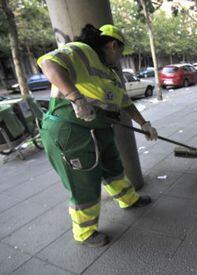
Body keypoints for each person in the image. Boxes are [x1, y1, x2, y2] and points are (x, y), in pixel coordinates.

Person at [37, 24, 158, 248]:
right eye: (120, 53)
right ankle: (84, 232)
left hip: (99, 128)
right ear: (113, 45)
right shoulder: (81, 51)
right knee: (84, 182)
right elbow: (48, 63)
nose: (120, 58)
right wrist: (75, 97)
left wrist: (145, 124)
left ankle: (128, 199)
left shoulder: (109, 73)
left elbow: (125, 103)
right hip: (71, 130)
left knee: (113, 166)